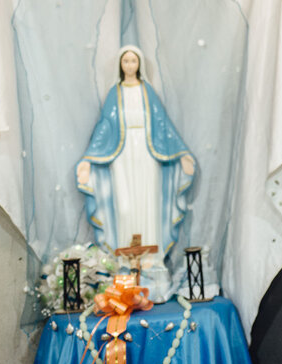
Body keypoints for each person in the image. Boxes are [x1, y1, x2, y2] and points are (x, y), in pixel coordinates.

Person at [75, 46, 196, 260]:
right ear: (120, 65)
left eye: (133, 61)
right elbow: (104, 127)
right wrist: (87, 160)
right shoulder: (115, 93)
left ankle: (150, 260)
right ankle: (125, 259)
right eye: (126, 61)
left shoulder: (147, 91)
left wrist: (181, 153)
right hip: (121, 154)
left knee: (149, 201)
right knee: (124, 206)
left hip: (147, 153)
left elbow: (162, 123)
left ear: (139, 64)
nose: (130, 65)